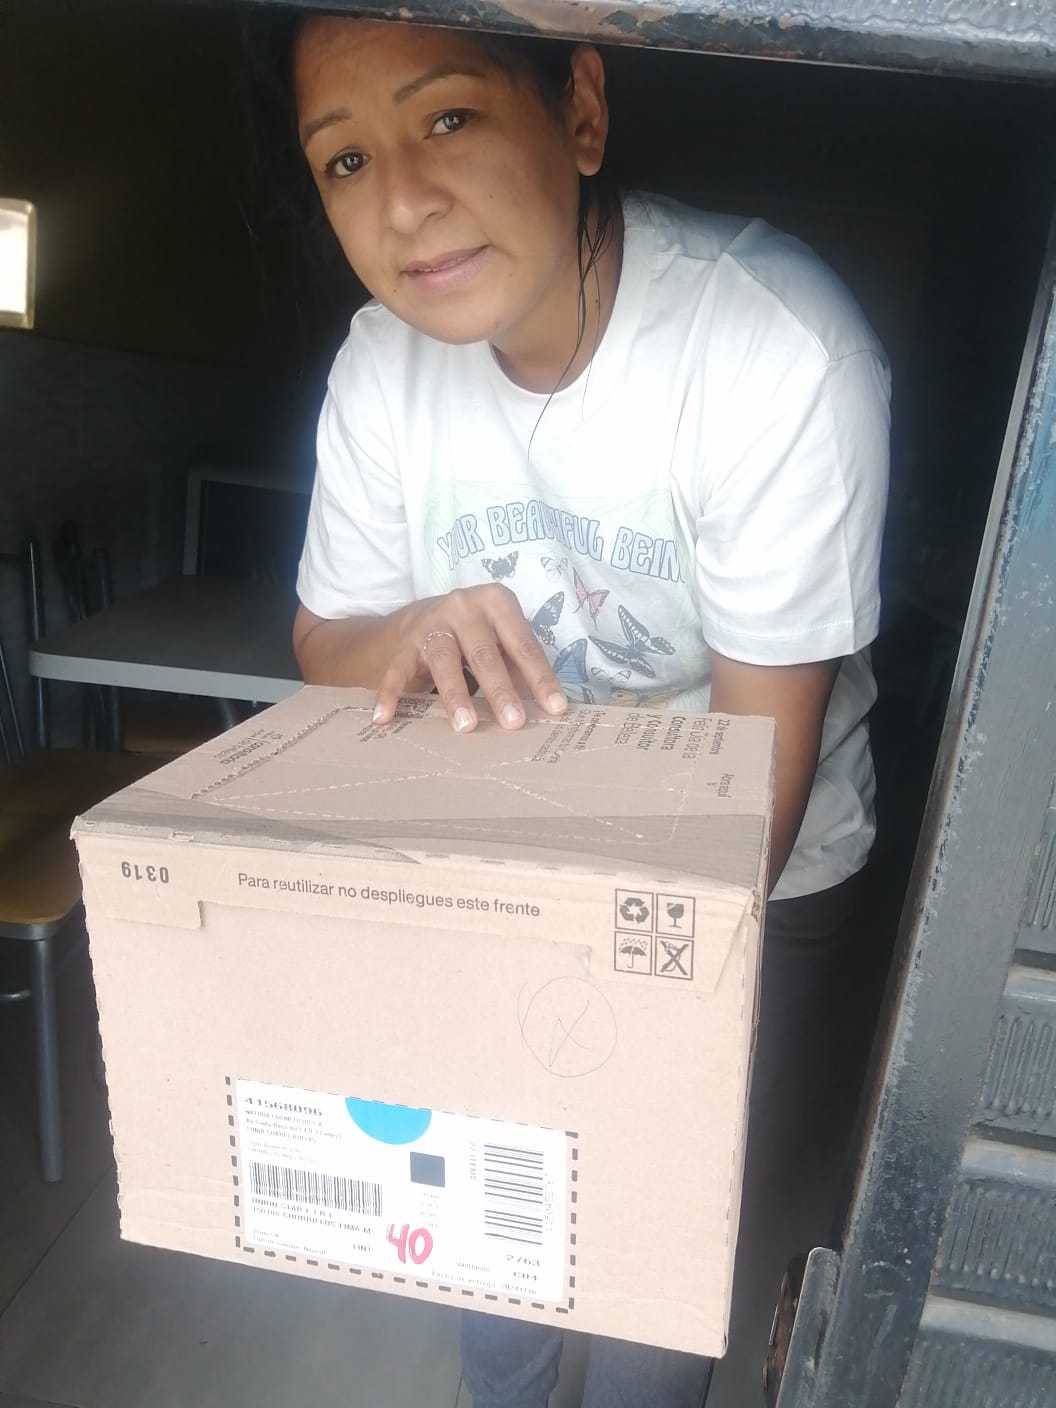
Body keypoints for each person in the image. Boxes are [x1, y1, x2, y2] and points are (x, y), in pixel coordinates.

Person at [276, 13, 890, 1407]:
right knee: (492, 1239)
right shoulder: (380, 367)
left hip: (759, 879)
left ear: (582, 113)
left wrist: (558, 1024)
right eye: (346, 160)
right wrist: (404, 636)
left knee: (641, 1269)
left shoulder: (771, 351)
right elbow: (323, 641)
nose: (403, 203)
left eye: (448, 119)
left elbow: (743, 816)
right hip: (505, 847)